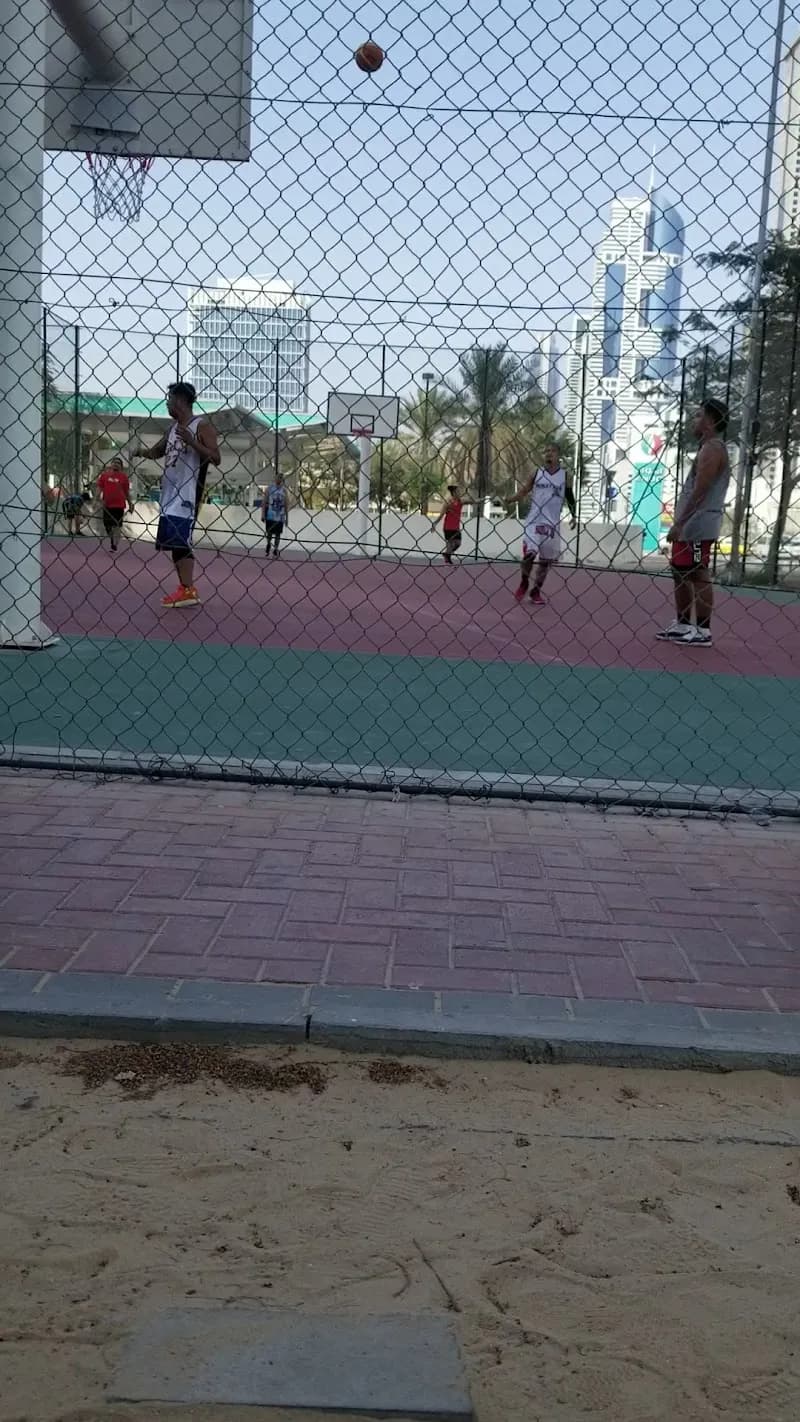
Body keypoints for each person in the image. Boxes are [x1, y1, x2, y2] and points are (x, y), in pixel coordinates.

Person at [136, 382, 220, 608]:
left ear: (181, 400)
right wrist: (139, 451)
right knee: (176, 543)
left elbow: (216, 457)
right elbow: (157, 451)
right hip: (170, 494)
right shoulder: (173, 428)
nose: (167, 403)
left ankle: (188, 589)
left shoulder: (201, 426)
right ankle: (185, 588)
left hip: (189, 492)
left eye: (170, 398)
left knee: (180, 542)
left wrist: (192, 441)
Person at [657, 399, 730, 647]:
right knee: (680, 572)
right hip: (690, 526)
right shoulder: (705, 447)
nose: (694, 420)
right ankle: (683, 624)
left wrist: (680, 523)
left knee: (698, 572)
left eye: (698, 415)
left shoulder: (713, 449)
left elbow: (701, 490)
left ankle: (703, 630)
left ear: (710, 421)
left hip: (699, 526)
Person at [511, 444, 576, 605]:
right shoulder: (536, 473)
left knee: (545, 562)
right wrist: (512, 498)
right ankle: (524, 581)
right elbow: (524, 490)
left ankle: (536, 591)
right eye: (546, 451)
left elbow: (570, 496)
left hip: (552, 523)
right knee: (530, 554)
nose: (548, 454)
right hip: (534, 520)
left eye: (552, 451)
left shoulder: (565, 475)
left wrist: (575, 515)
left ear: (558, 455)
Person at [96, 456, 134, 552]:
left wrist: (130, 504)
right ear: (111, 464)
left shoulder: (124, 477)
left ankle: (114, 545)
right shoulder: (104, 475)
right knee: (107, 525)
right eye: (114, 462)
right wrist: (96, 498)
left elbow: (126, 492)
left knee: (117, 525)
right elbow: (99, 487)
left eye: (118, 463)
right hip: (107, 505)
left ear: (121, 466)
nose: (116, 464)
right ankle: (112, 538)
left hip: (119, 505)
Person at [434, 485, 463, 564]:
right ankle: (447, 560)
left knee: (458, 543)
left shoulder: (460, 501)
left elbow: (472, 501)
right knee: (450, 544)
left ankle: (447, 554)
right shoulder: (448, 502)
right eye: (458, 491)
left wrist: (483, 499)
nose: (460, 493)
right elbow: (441, 514)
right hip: (448, 527)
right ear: (454, 493)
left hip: (456, 527)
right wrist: (435, 524)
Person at [263, 471, 289, 557]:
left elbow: (286, 504)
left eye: (281, 478)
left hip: (280, 515)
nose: (279, 479)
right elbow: (264, 502)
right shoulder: (269, 488)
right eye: (278, 477)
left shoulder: (284, 491)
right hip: (270, 514)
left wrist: (286, 518)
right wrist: (263, 514)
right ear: (275, 478)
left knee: (278, 534)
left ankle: (276, 549)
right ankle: (268, 544)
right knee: (269, 532)